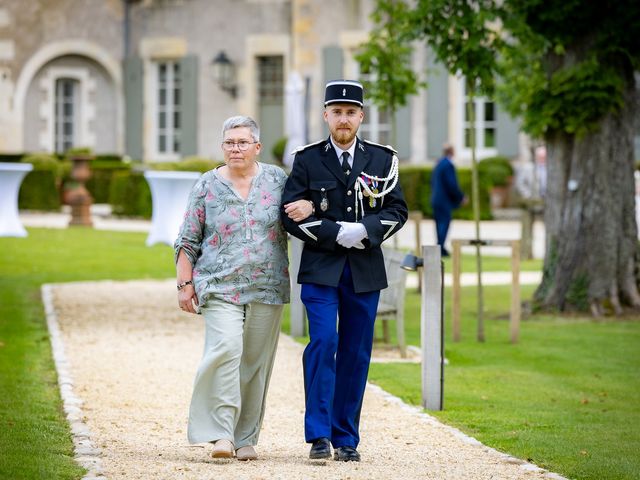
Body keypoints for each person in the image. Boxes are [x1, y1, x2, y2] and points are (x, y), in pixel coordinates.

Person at [281, 80, 408, 462]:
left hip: (365, 271)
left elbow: (397, 211)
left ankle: (346, 437)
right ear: (325, 116)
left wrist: (364, 232)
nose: (343, 119)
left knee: (355, 352)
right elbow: (289, 215)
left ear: (361, 117)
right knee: (323, 343)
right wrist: (337, 231)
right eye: (336, 112)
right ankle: (319, 435)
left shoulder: (383, 160)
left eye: (351, 112)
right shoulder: (307, 160)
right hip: (321, 270)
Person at [174, 115, 311, 461]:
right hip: (219, 285)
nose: (235, 148)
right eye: (229, 143)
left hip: (267, 286)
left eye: (242, 142)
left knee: (254, 363)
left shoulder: (278, 180)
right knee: (226, 349)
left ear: (257, 147)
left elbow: (304, 210)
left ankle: (245, 436)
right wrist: (184, 284)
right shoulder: (206, 185)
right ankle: (220, 434)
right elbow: (187, 240)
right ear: (223, 147)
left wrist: (308, 205)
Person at [431, 143, 464, 256]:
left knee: (439, 223)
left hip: (436, 199)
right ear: (452, 152)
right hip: (444, 200)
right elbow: (452, 185)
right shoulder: (448, 165)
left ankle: (440, 246)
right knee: (444, 223)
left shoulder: (438, 163)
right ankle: (440, 247)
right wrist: (460, 197)